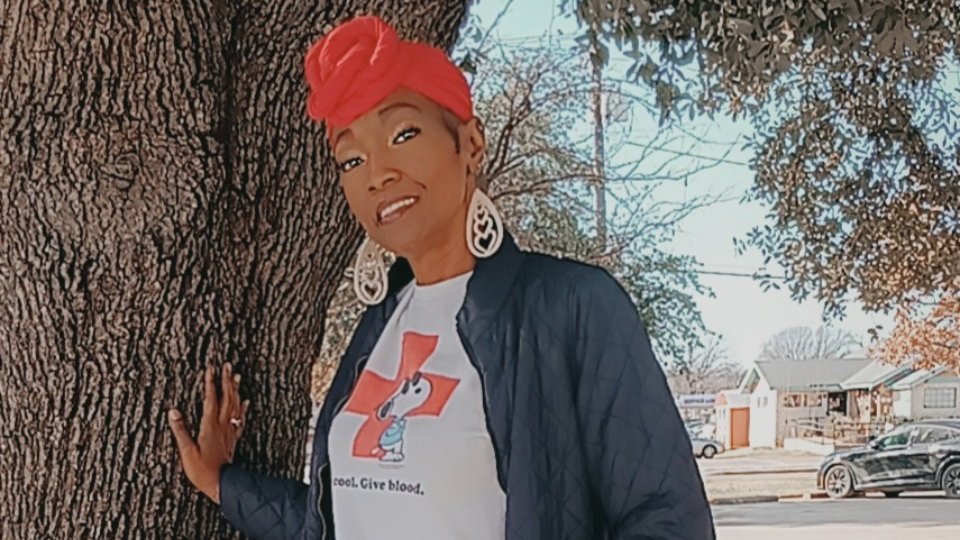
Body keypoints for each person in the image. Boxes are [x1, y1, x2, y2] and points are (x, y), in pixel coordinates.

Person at [168, 14, 715, 540]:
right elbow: (338, 522)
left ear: (470, 145)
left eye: (402, 133)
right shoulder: (376, 330)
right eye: (351, 160)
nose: (378, 173)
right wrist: (221, 483)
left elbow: (667, 521)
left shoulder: (570, 308)